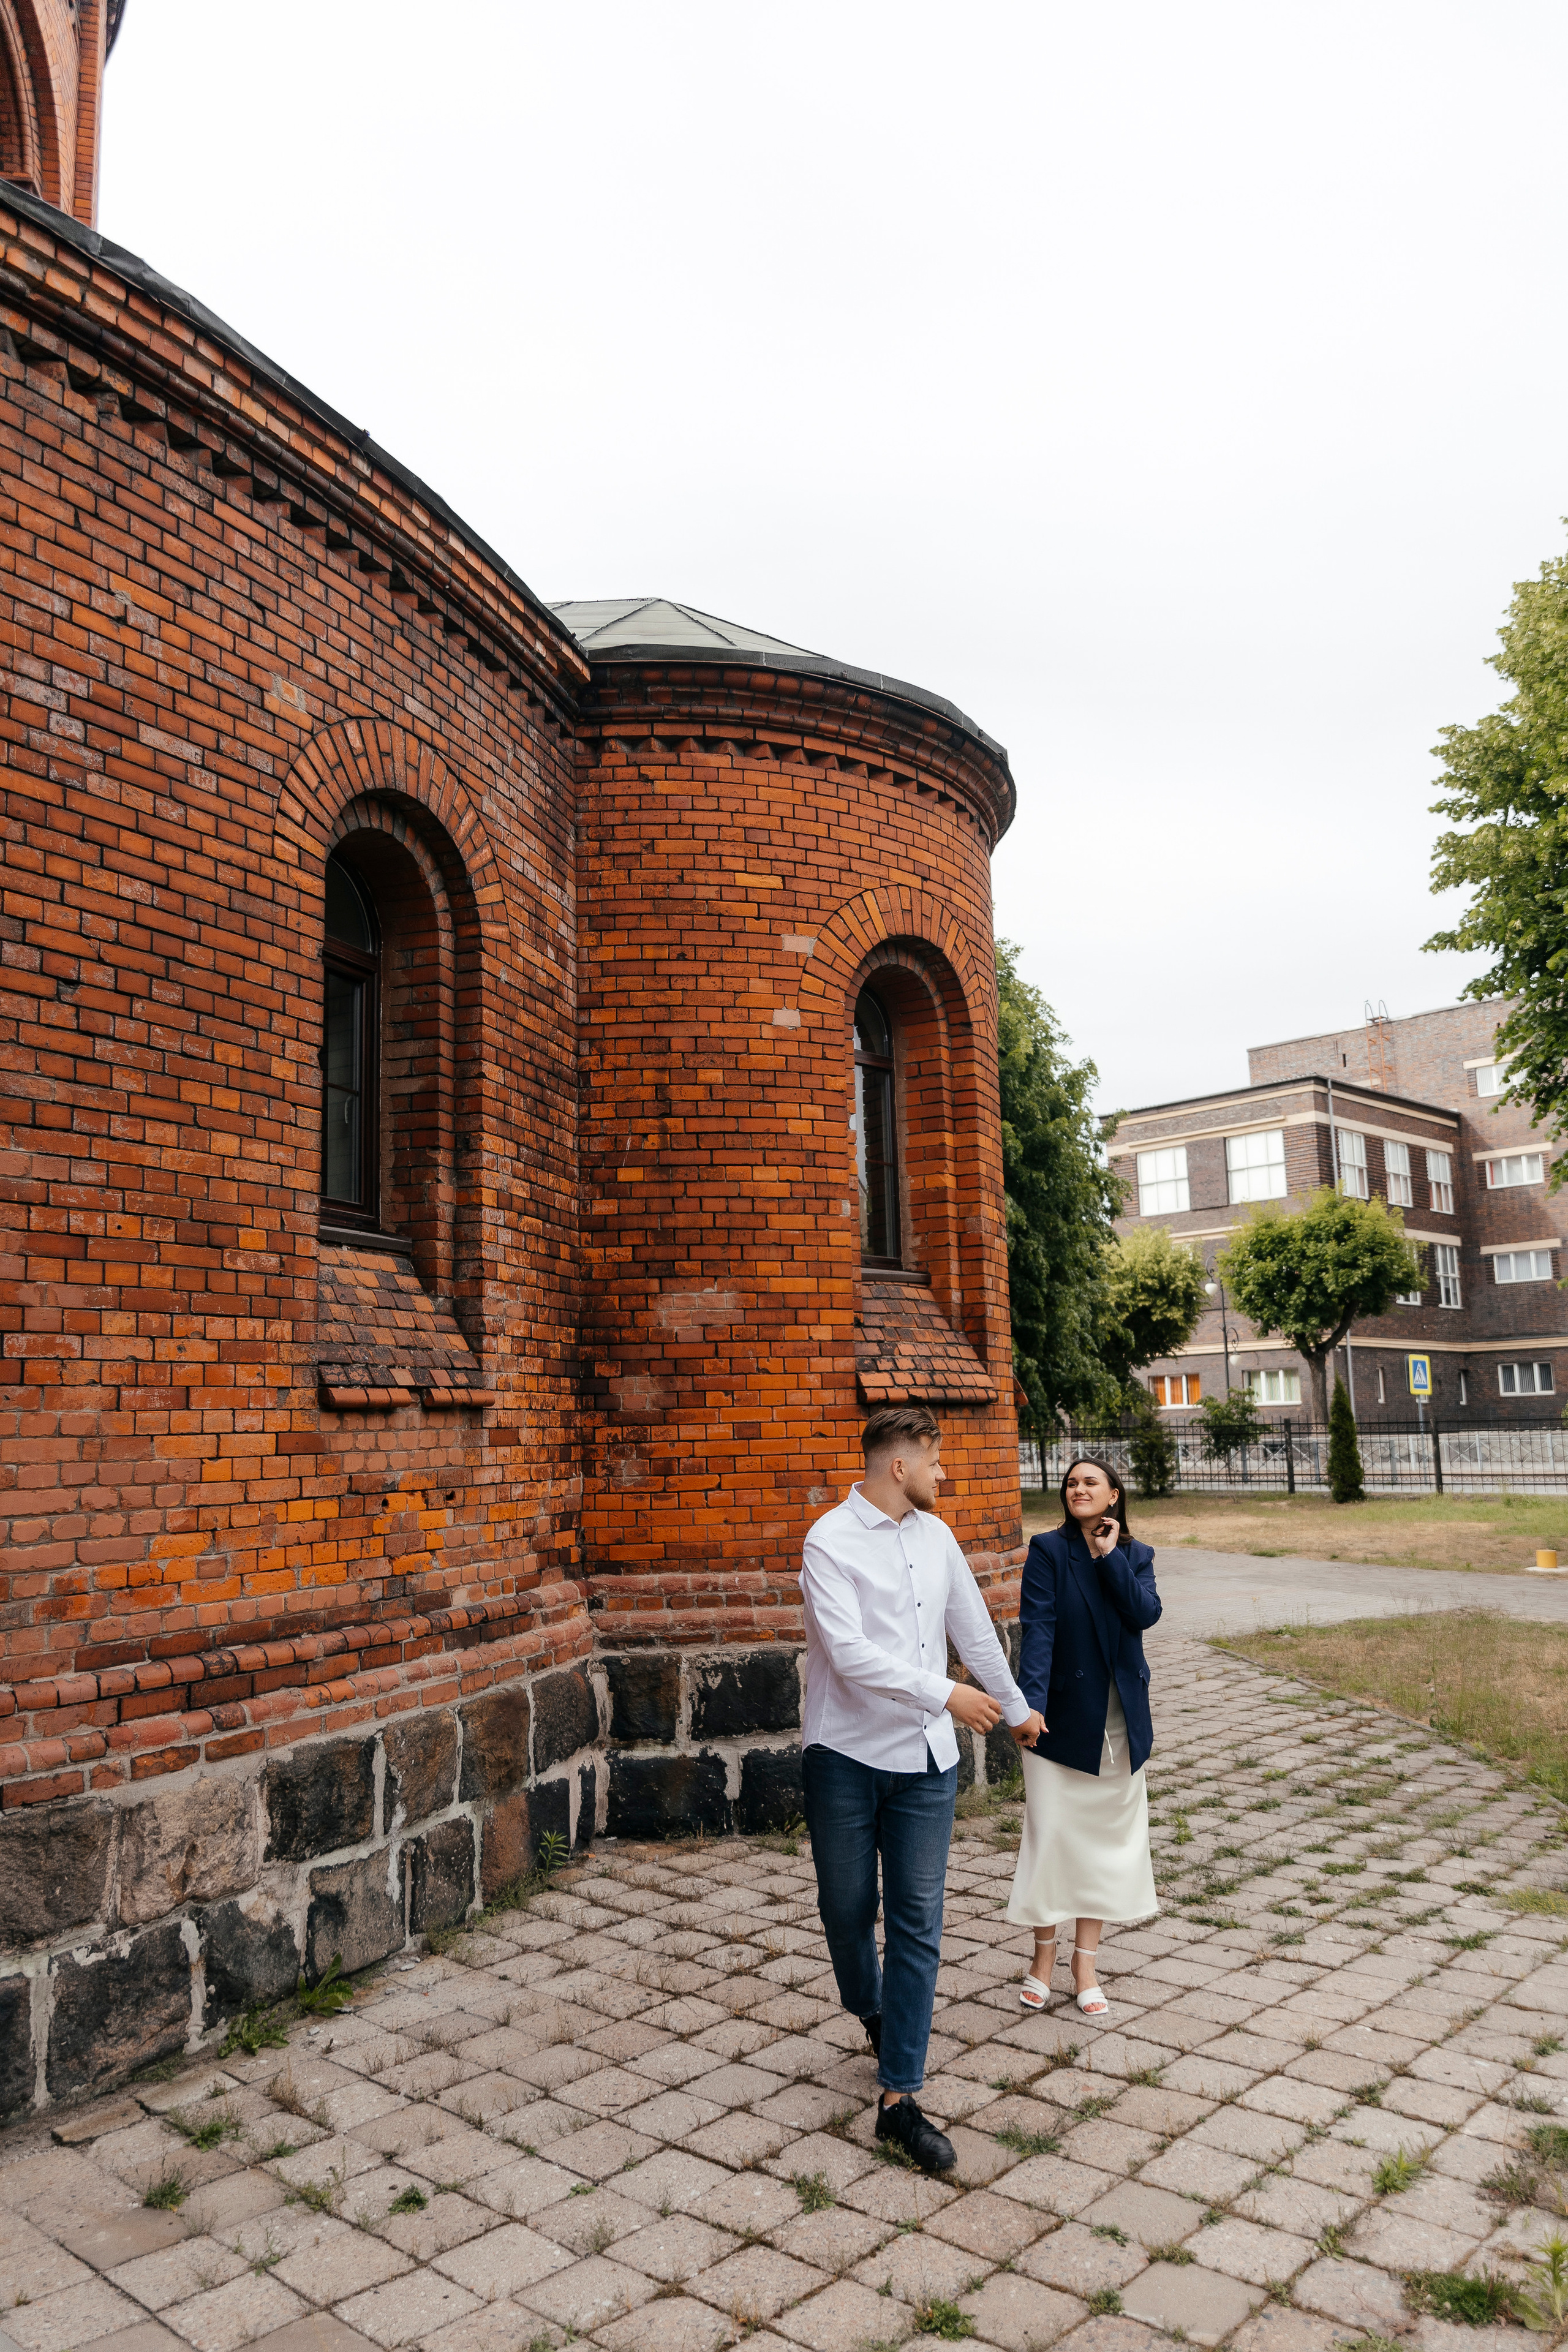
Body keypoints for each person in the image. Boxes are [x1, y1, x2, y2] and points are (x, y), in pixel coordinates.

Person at [800, 1404, 1046, 2173]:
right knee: (847, 1912)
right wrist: (946, 1694)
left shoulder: (937, 1538)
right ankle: (871, 2009)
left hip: (927, 1765)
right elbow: (847, 1655)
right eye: (935, 1461)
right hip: (843, 1757)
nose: (944, 1474)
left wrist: (1015, 1710)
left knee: (917, 1922)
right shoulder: (828, 1541)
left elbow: (973, 1632)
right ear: (899, 1465)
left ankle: (898, 2097)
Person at [1005, 1454, 1160, 2017]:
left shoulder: (1136, 1555)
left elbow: (1144, 1615)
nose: (1078, 1489)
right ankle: (1043, 1958)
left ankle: (1085, 1965)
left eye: (1090, 1482)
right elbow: (1038, 1628)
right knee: (1051, 1838)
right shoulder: (1049, 1550)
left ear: (1114, 1495)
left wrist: (1109, 1555)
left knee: (1101, 1847)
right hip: (1061, 1719)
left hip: (1119, 1724)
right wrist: (1030, 1706)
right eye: (1071, 1483)